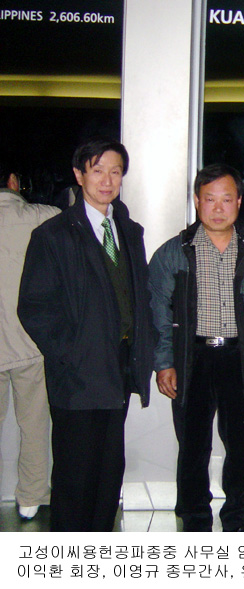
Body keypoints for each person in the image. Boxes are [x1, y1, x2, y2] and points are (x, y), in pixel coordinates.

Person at [17, 137, 155, 531]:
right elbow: (34, 308)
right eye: (97, 171)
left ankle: (98, 549)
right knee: (75, 475)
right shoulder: (54, 235)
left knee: (109, 471)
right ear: (79, 176)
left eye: (115, 171)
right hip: (77, 374)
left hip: (118, 367)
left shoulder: (128, 231)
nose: (107, 180)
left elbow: (137, 297)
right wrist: (72, 353)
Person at [149, 163, 244, 532]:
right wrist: (164, 363)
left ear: (239, 201)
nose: (218, 208)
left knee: (241, 445)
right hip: (191, 359)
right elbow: (158, 314)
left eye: (227, 199)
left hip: (242, 357)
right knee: (193, 446)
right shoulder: (173, 253)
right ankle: (195, 518)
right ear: (197, 201)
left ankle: (238, 518)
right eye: (210, 199)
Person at [0, 160, 59, 521]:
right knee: (34, 425)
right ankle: (31, 498)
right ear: (13, 181)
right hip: (28, 342)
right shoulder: (40, 216)